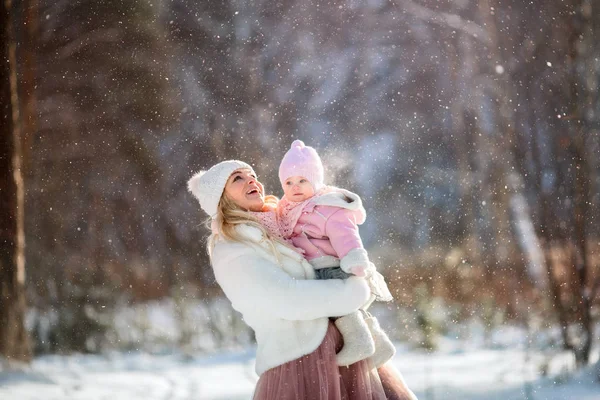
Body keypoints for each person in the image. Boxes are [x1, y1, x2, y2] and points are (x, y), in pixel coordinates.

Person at [188, 159, 417, 400]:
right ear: (220, 198)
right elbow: (286, 298)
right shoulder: (232, 248)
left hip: (344, 353)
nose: (251, 180)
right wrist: (353, 292)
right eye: (238, 178)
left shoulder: (282, 225)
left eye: (252, 174)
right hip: (300, 363)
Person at [276, 140, 395, 368]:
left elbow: (345, 235)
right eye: (289, 182)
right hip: (314, 266)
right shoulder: (289, 209)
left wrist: (354, 258)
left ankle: (359, 340)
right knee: (348, 307)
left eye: (302, 180)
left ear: (316, 180)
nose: (295, 187)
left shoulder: (327, 207)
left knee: (335, 304)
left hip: (331, 267)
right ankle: (380, 345)